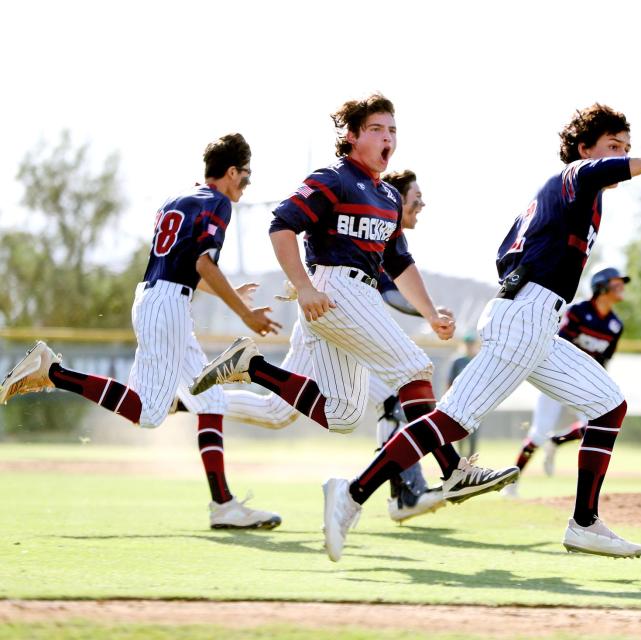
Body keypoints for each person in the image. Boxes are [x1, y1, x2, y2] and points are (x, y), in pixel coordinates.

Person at [319, 103, 641, 561]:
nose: (621, 155)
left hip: (534, 318)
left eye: (626, 148)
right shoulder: (577, 175)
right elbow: (595, 175)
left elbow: (505, 255)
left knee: (608, 405)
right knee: (451, 420)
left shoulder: (572, 196)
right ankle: (351, 492)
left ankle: (585, 523)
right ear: (585, 149)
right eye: (612, 147)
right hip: (527, 316)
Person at [189, 94, 518, 555]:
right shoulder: (333, 178)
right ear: (352, 135)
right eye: (378, 129)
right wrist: (303, 286)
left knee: (342, 415)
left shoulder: (386, 194)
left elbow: (400, 263)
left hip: (355, 293)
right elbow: (281, 226)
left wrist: (430, 312)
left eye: (393, 131)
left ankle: (254, 367)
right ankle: (452, 469)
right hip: (334, 287)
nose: (388, 138)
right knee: (415, 370)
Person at [0, 133, 283, 529]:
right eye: (246, 177)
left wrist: (230, 293)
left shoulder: (179, 199)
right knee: (148, 413)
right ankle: (53, 372)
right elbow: (203, 264)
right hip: (166, 306)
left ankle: (224, 505)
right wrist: (245, 313)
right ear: (232, 171)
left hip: (160, 300)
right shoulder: (217, 202)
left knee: (211, 400)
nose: (245, 185)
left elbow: (184, 266)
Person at [222, 168, 446, 523]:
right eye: (416, 199)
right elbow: (385, 289)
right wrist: (427, 314)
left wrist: (429, 312)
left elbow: (392, 279)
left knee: (312, 414)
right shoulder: (367, 215)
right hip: (329, 315)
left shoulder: (378, 236)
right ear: (396, 198)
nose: (421, 205)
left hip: (335, 317)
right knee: (393, 393)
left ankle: (202, 392)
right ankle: (409, 491)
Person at [504, 266, 629, 496]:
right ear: (601, 286)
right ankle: (511, 483)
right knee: (538, 433)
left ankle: (557, 441)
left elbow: (603, 361)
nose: (621, 286)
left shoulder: (615, 325)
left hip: (582, 382)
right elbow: (556, 346)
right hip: (556, 377)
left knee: (598, 423)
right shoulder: (578, 311)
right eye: (616, 281)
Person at [446, 332, 480, 457]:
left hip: (475, 402)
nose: (469, 346)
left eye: (471, 344)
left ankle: (472, 459)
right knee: (459, 430)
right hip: (459, 402)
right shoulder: (458, 361)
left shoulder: (478, 359)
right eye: (468, 344)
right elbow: (450, 381)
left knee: (474, 432)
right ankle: (461, 458)